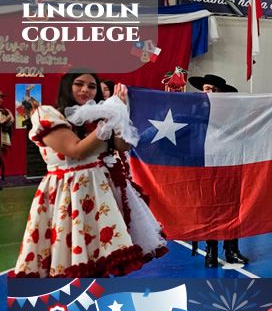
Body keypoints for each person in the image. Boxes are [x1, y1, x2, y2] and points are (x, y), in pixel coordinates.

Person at [10, 69, 166, 278]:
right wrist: (108, 121)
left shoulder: (96, 118)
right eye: (79, 84)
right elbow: (76, 150)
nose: (86, 90)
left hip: (100, 194)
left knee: (100, 259)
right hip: (68, 195)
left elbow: (122, 146)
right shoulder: (47, 114)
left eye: (92, 86)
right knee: (71, 259)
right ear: (67, 86)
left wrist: (121, 115)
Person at [188, 74, 249, 267]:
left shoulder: (232, 112)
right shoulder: (194, 109)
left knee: (231, 206)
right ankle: (211, 250)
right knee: (210, 209)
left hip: (228, 163)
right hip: (204, 164)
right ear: (201, 90)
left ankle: (231, 249)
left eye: (215, 90)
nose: (211, 92)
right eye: (207, 88)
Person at [0, 90, 13, 180]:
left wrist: (7, 120)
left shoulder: (5, 111)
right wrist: (3, 121)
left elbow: (11, 121)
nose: (0, 99)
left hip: (1, 138)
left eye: (1, 98)